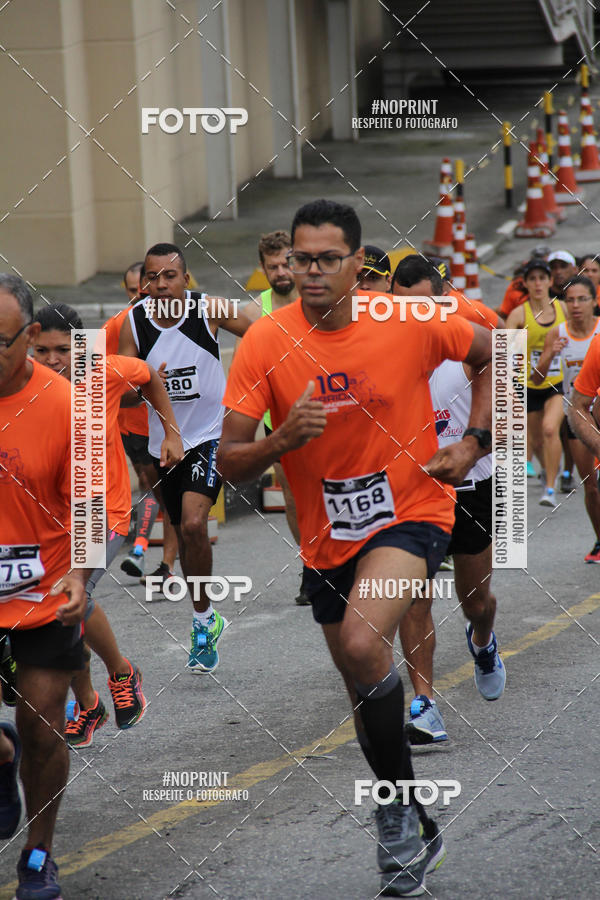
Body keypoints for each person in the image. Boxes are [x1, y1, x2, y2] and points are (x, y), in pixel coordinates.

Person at [218, 199, 493, 896]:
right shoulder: (265, 342)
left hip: (413, 508)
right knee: (360, 680)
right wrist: (280, 443)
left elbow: (496, 356)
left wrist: (472, 443)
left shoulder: (410, 321)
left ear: (356, 264)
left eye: (325, 260)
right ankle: (407, 814)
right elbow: (226, 460)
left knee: (367, 645)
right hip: (325, 536)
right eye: (300, 260)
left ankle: (397, 820)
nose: (309, 272)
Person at [32, 303, 183, 746]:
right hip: (49, 518)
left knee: (71, 596)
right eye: (42, 349)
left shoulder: (106, 370)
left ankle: (121, 673)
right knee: (53, 612)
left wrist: (170, 431)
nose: (53, 359)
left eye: (63, 349)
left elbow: (150, 376)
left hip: (104, 509)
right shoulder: (23, 381)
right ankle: (90, 702)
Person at [119, 242, 253, 673]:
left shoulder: (208, 310)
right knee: (183, 529)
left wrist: (248, 398)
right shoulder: (134, 324)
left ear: (186, 279)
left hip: (210, 437)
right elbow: (122, 386)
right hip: (166, 445)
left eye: (170, 276)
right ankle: (207, 617)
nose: (161, 285)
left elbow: (263, 338)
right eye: (152, 278)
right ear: (144, 285)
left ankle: (198, 623)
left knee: (195, 523)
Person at [0, 275, 90, 898]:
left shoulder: (65, 406)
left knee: (41, 723)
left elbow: (88, 504)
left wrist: (81, 573)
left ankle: (38, 852)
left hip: (43, 590)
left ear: (31, 336)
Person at [236, 230, 309, 605]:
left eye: (286, 263)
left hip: (326, 411)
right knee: (295, 500)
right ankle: (311, 567)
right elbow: (248, 370)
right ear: (262, 268)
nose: (280, 271)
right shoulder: (254, 312)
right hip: (277, 420)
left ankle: (340, 561)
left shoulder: (316, 301)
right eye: (272, 265)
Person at [108, 263, 178, 586]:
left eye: (147, 285)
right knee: (151, 488)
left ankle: (161, 562)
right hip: (130, 425)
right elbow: (97, 374)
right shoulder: (116, 326)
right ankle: (141, 551)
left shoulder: (172, 321)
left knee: (166, 492)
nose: (142, 293)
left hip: (164, 426)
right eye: (134, 288)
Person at [506, 259, 566, 506]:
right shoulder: (519, 314)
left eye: (543, 278)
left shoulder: (563, 308)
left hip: (559, 382)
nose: (538, 283)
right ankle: (547, 470)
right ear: (526, 284)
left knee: (550, 429)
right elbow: (505, 352)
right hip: (529, 384)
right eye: (533, 279)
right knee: (538, 441)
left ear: (550, 281)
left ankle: (550, 489)